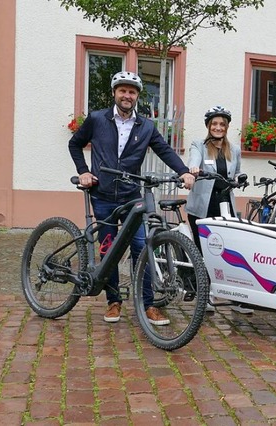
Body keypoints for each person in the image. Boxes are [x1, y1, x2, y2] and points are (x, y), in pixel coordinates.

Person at [68, 71, 195, 325]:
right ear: (115, 93)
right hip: (102, 195)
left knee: (141, 247)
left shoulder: (146, 126)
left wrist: (183, 171)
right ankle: (113, 302)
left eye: (132, 92)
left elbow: (164, 150)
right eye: (123, 91)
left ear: (137, 96)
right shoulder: (97, 119)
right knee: (109, 249)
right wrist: (83, 171)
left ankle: (148, 304)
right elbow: (74, 144)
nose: (127, 96)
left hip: (131, 196)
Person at [185, 106, 252, 314]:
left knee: (230, 253)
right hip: (202, 208)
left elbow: (237, 172)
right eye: (214, 124)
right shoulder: (199, 145)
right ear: (208, 126)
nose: (218, 127)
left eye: (222, 124)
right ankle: (205, 296)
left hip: (225, 207)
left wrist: (240, 179)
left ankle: (236, 298)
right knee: (204, 253)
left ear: (227, 127)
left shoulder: (234, 150)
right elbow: (193, 160)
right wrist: (194, 169)